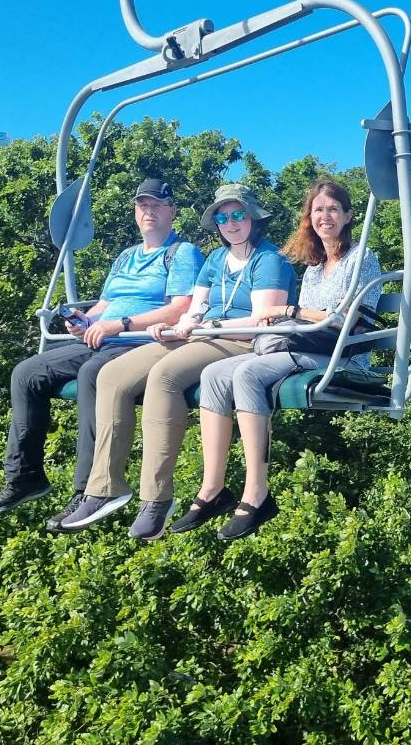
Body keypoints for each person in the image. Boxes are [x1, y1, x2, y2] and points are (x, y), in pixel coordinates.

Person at [60, 183, 296, 540]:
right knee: (111, 375)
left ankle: (155, 497)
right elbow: (195, 308)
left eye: (238, 215)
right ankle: (104, 486)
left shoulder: (269, 261)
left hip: (241, 342)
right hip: (202, 336)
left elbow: (259, 321)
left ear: (252, 218)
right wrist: (176, 327)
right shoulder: (216, 260)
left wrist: (203, 327)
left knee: (165, 376)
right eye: (223, 216)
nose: (230, 223)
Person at [0, 178, 204, 530]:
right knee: (27, 373)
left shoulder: (182, 253)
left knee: (93, 375)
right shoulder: (126, 257)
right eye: (143, 205)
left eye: (158, 205)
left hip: (141, 344)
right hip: (102, 339)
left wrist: (120, 325)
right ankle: (25, 476)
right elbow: (105, 304)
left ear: (172, 211)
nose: (149, 212)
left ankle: (90, 488)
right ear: (135, 211)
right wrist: (86, 320)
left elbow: (180, 309)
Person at [173, 177, 381, 541]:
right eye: (318, 210)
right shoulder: (315, 268)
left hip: (340, 355)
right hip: (307, 346)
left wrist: (290, 310)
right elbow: (309, 317)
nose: (325, 217)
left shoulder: (360, 258)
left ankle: (256, 493)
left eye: (333, 209)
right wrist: (292, 316)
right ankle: (212, 487)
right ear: (309, 218)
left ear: (348, 215)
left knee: (249, 374)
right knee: (215, 375)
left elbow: (350, 318)